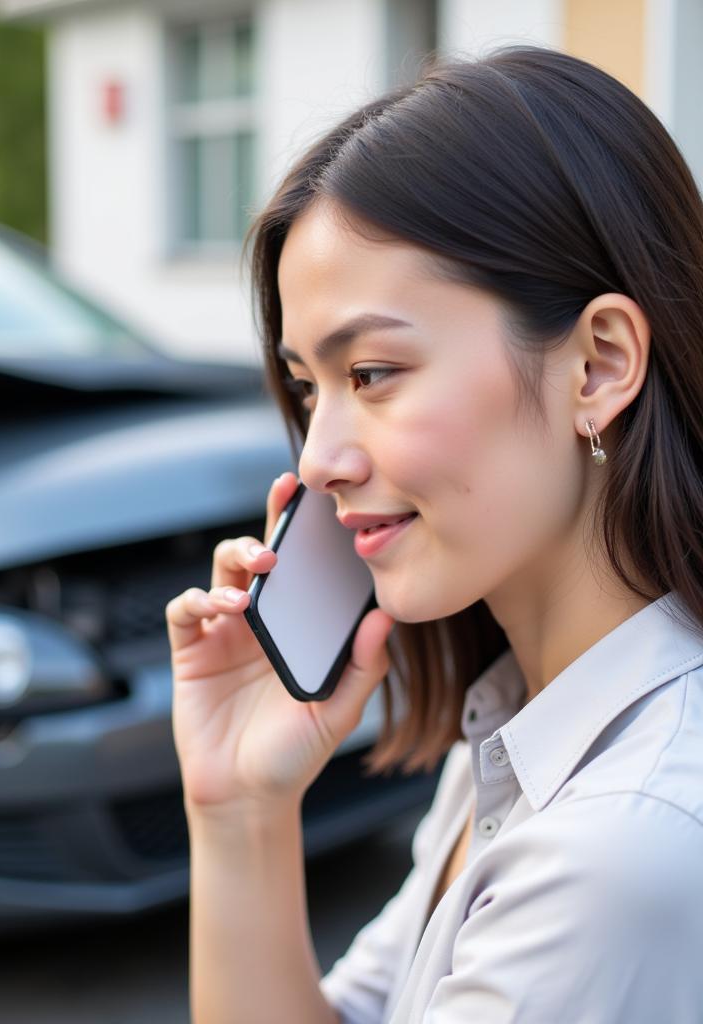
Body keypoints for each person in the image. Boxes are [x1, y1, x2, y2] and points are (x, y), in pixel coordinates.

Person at [164, 44, 703, 1023]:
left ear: (598, 365)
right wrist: (239, 808)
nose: (319, 455)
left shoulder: (615, 854)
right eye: (304, 385)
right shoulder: (519, 724)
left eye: (370, 372)